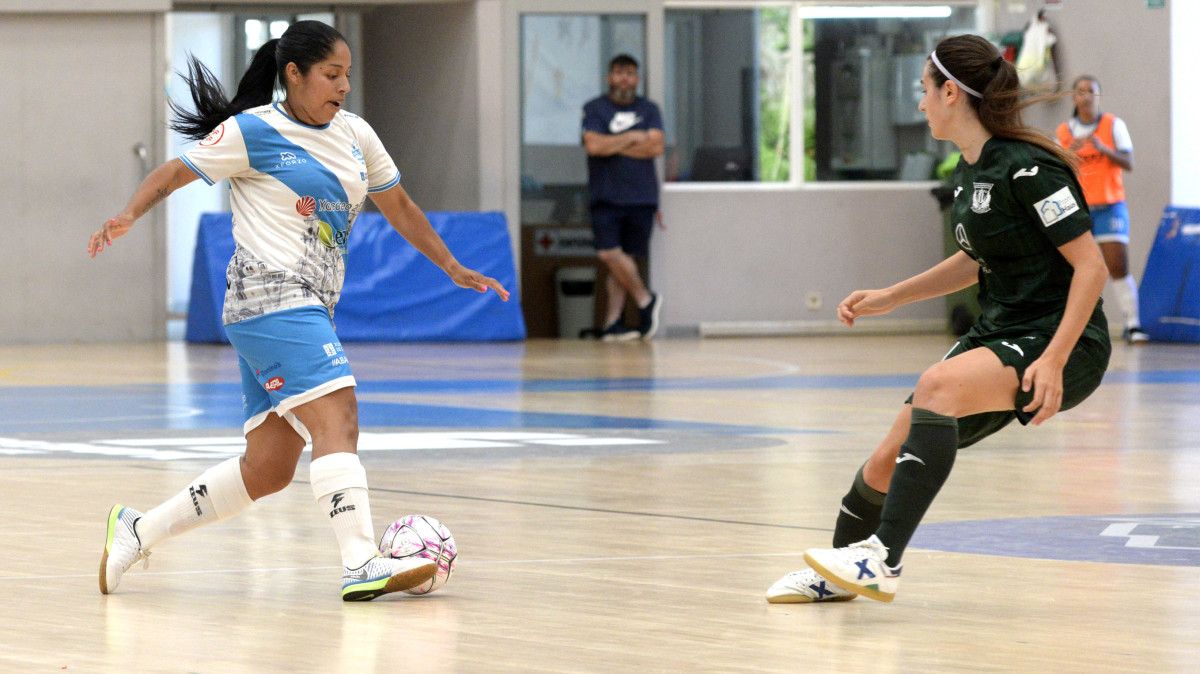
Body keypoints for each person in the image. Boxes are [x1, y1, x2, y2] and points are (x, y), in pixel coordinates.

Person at [89, 21, 509, 602]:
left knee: (268, 468)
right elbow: (173, 173)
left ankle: (138, 530)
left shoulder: (356, 135)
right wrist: (129, 214)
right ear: (294, 74)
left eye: (347, 76)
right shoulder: (252, 131)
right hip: (268, 295)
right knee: (338, 417)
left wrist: (451, 267)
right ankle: (361, 560)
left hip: (308, 305)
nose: (342, 87)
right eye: (331, 75)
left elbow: (402, 207)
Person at [766, 34, 1111, 604]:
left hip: (1062, 339)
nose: (920, 103)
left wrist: (1053, 360)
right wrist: (891, 297)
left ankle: (884, 562)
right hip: (1000, 330)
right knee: (886, 458)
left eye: (923, 90)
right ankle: (838, 579)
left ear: (951, 92)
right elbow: (975, 259)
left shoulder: (1030, 169)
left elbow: (1091, 268)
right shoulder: (970, 168)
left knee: (937, 386)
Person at [1057, 75, 1148, 343]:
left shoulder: (1113, 125)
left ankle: (1132, 324)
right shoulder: (1064, 132)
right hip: (1078, 208)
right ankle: (1070, 327)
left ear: (1098, 96)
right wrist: (1067, 154)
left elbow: (1128, 162)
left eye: (1091, 91)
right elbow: (1055, 171)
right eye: (1080, 91)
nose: (1086, 96)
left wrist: (1103, 149)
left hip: (1110, 206)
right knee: (1072, 268)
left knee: (1117, 266)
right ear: (1074, 97)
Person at [581, 54, 665, 341]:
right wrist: (633, 137)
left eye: (630, 73)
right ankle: (645, 300)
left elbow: (655, 147)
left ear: (637, 78)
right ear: (609, 77)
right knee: (608, 253)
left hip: (641, 196)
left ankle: (612, 323)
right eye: (619, 72)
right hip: (606, 195)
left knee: (623, 261)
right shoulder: (595, 108)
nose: (625, 78)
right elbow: (594, 145)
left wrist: (614, 143)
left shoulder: (649, 109)